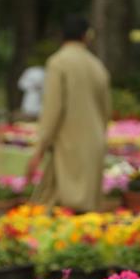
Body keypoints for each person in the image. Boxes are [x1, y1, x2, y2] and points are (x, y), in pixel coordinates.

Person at [26, 15, 111, 212]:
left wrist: (39, 150)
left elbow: (52, 111)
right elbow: (106, 112)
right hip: (94, 144)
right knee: (88, 214)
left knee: (62, 209)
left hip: (69, 145)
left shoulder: (58, 63)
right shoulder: (97, 65)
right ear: (85, 37)